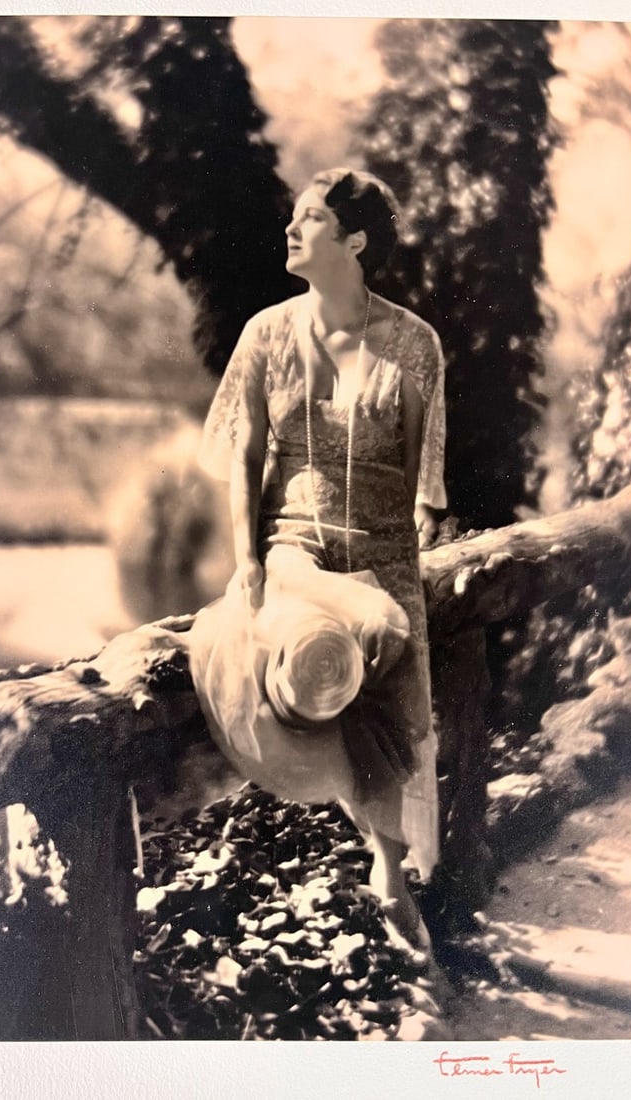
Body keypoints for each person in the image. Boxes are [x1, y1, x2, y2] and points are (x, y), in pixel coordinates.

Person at [189, 167, 446, 956]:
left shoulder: (413, 341)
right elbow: (242, 454)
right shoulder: (267, 333)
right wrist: (249, 563)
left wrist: (415, 529)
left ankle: (388, 871)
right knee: (324, 653)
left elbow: (422, 477)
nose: (292, 231)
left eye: (310, 220)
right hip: (292, 544)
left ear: (355, 240)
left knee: (396, 665)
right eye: (295, 218)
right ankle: (371, 865)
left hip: (380, 543)